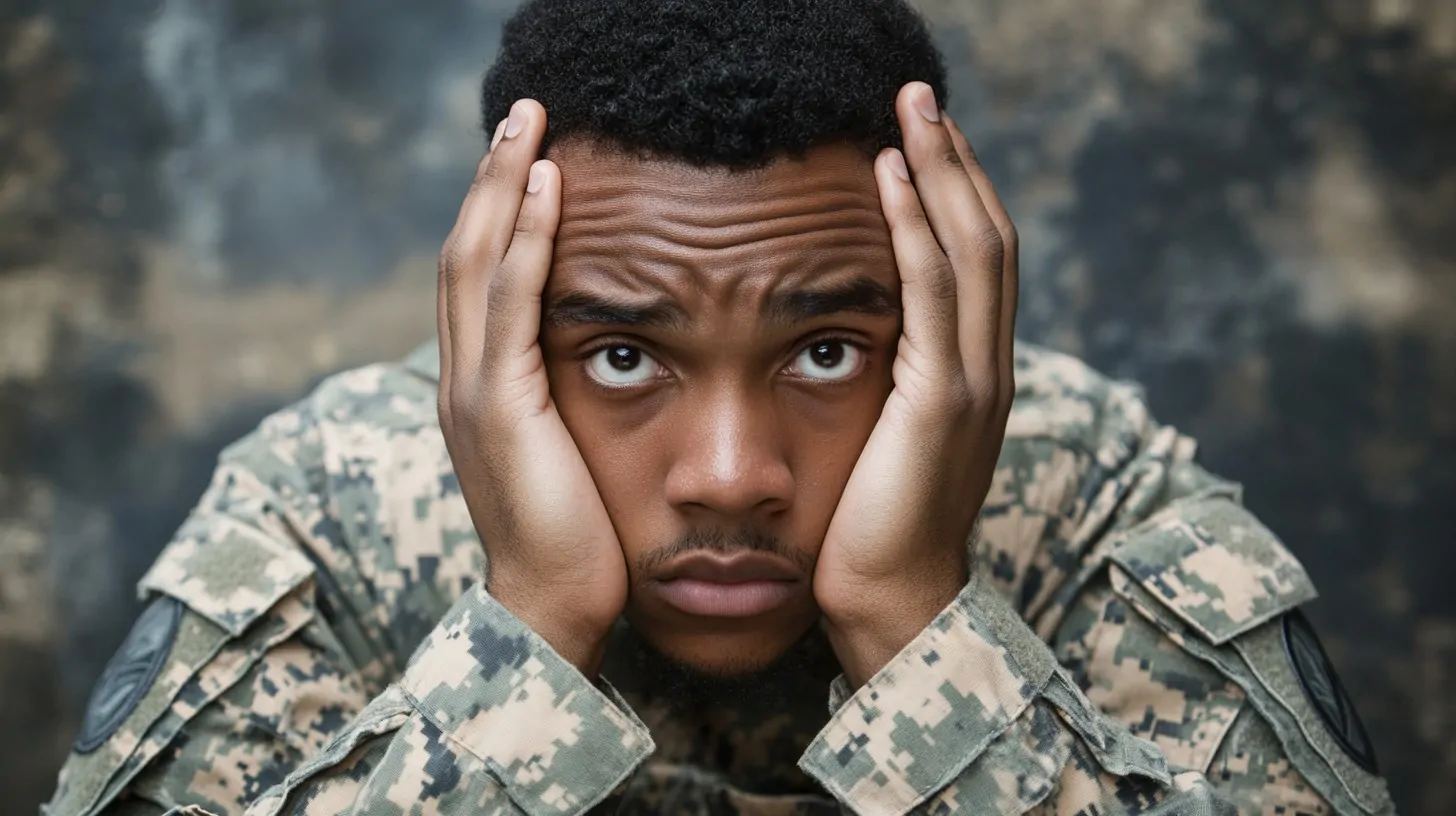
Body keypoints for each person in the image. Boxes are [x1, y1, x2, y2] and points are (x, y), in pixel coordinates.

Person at [44, 0, 1396, 813]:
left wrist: (921, 627)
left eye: (825, 351)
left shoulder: (1098, 494)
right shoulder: (326, 508)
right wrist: (526, 628)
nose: (733, 475)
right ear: (495, 313)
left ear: (943, 299)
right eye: (624, 356)